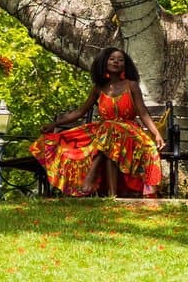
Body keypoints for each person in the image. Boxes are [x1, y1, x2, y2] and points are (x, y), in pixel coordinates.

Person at [30, 46, 165, 197]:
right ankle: (112, 196)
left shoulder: (131, 85)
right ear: (104, 63)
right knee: (109, 135)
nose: (116, 62)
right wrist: (54, 124)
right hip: (105, 134)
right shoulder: (98, 88)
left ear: (125, 65)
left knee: (110, 130)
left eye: (120, 60)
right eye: (112, 59)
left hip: (129, 133)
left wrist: (156, 134)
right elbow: (80, 112)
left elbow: (143, 113)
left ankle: (93, 173)